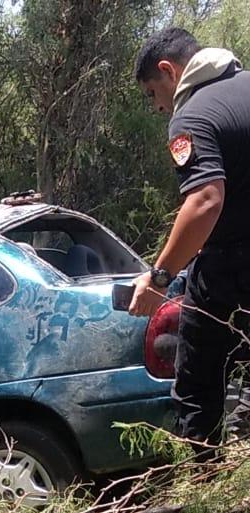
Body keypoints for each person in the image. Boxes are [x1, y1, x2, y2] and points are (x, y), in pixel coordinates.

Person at [131, 27, 250, 459]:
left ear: (169, 70)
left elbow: (204, 202)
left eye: (152, 93)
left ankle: (203, 494)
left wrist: (160, 277)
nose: (159, 106)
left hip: (232, 261)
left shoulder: (192, 114)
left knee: (197, 380)